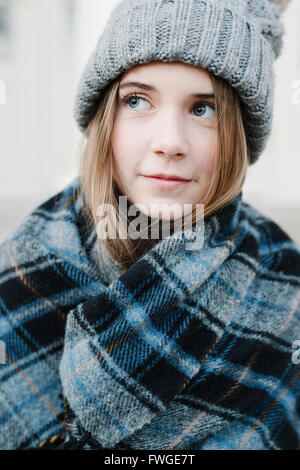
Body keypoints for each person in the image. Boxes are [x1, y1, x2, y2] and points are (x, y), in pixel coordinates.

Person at [0, 0, 299, 450]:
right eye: (137, 100)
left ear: (239, 132)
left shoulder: (283, 280)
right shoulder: (27, 267)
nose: (170, 142)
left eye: (203, 109)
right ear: (105, 117)